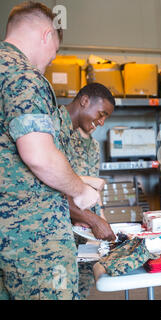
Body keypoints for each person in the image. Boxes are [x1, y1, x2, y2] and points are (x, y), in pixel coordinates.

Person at [0, 2, 100, 300]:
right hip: (32, 241)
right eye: (54, 52)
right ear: (46, 35)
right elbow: (39, 155)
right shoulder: (23, 77)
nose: (50, 61)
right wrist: (80, 189)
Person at [56, 83, 116, 299]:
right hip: (53, 226)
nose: (101, 122)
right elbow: (50, 178)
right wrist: (92, 219)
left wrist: (97, 216)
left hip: (77, 218)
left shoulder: (84, 139)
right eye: (101, 114)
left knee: (79, 282)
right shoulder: (53, 127)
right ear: (84, 101)